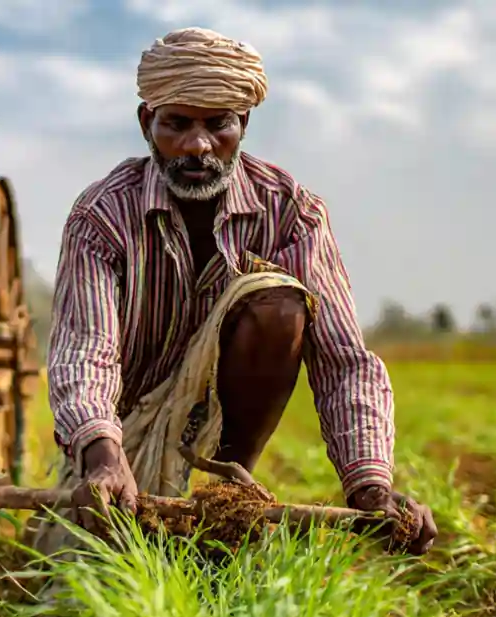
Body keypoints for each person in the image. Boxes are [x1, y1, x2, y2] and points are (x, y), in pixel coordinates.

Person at [31, 26, 438, 558]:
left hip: (224, 428)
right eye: (177, 124)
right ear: (146, 124)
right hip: (121, 430)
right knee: (81, 577)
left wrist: (371, 489)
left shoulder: (291, 212)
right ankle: (128, 485)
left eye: (217, 124)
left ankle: (226, 502)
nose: (198, 146)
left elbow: (343, 360)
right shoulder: (103, 214)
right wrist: (102, 455)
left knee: (280, 304)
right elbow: (86, 350)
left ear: (242, 123)